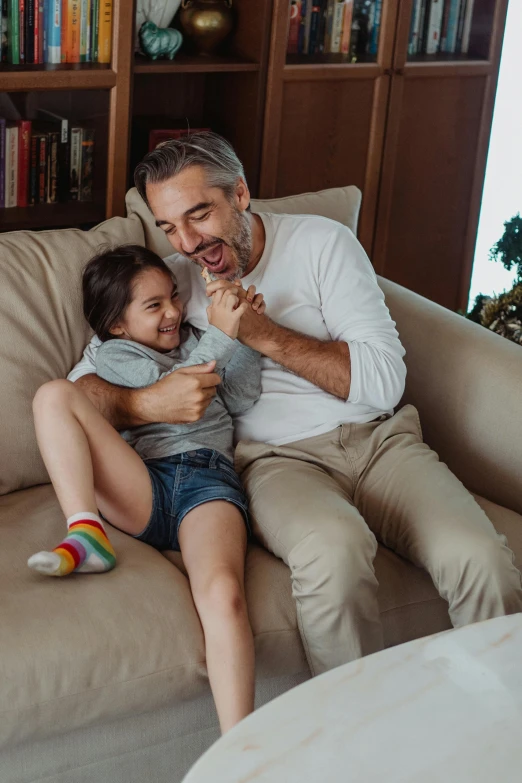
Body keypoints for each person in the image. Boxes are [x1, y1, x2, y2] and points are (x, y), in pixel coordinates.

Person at [68, 132, 522, 678]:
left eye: (199, 215)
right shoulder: (170, 284)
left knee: (482, 560)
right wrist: (144, 402)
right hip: (274, 461)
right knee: (335, 554)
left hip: (380, 441)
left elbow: (383, 382)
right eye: (169, 227)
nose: (187, 242)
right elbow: (82, 388)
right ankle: (347, 748)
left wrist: (262, 334)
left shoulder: (322, 244)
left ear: (239, 194)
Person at [29, 244, 264, 733]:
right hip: (143, 481)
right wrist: (222, 335)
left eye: (174, 297)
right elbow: (183, 396)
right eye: (154, 306)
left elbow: (242, 394)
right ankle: (86, 531)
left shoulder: (200, 337)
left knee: (223, 593)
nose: (175, 312)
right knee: (54, 394)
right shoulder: (117, 355)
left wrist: (245, 336)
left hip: (209, 479)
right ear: (117, 324)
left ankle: (240, 753)